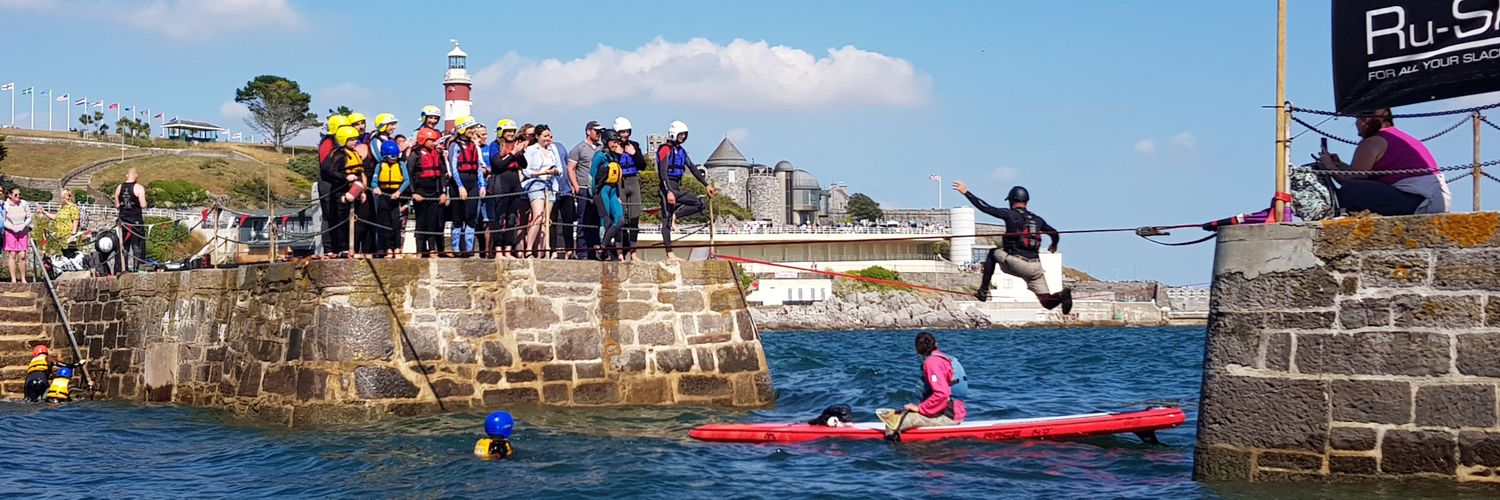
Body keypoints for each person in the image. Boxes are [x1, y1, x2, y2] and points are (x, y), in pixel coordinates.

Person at [953, 181, 1073, 314]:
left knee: (993, 252)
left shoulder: (1009, 214)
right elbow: (1054, 233)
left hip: (1018, 263)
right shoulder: (1037, 219)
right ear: (1026, 201)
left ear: (1011, 201)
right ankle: (1061, 295)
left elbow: (985, 207)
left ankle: (983, 291)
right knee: (1047, 303)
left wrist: (966, 193)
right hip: (1036, 267)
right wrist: (1054, 245)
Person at [1317, 108, 1451, 216]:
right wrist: (1340, 165)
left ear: (1364, 120)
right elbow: (1361, 173)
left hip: (1417, 200)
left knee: (1350, 190)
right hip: (1431, 198)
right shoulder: (1399, 136)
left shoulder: (1373, 141)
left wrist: (1328, 165)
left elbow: (1349, 179)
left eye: (1357, 119)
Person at [876, 332, 966, 439]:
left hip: (948, 416)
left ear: (917, 350)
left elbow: (942, 393)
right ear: (936, 344)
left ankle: (894, 448)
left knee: (893, 424)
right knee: (903, 413)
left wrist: (920, 408)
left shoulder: (932, 363)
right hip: (955, 412)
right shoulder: (944, 358)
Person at [656, 120, 714, 261]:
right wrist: (668, 191)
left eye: (684, 135)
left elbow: (693, 169)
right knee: (666, 221)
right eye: (680, 134)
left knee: (699, 204)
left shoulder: (681, 151)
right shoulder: (665, 149)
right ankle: (670, 254)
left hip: (677, 186)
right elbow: (663, 172)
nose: (683, 137)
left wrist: (706, 184)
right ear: (674, 134)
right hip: (667, 187)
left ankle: (676, 216)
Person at [319, 125, 367, 257]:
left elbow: (359, 173)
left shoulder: (355, 153)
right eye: (351, 139)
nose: (355, 141)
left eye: (355, 139)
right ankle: (342, 248)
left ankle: (352, 247)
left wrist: (362, 191)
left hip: (354, 190)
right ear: (343, 139)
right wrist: (346, 177)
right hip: (341, 190)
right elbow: (332, 172)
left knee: (354, 220)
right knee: (342, 220)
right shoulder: (339, 155)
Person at [447, 116, 487, 257]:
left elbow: (478, 167)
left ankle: (469, 249)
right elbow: (453, 168)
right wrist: (460, 186)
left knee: (471, 217)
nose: (472, 130)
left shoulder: (474, 145)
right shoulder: (454, 145)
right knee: (458, 218)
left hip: (472, 183)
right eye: (469, 128)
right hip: (459, 184)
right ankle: (456, 249)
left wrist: (481, 185)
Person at [522, 125, 563, 258]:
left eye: (550, 136)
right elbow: (526, 171)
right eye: (545, 136)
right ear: (537, 136)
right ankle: (529, 249)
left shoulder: (553, 149)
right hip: (536, 183)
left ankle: (541, 251)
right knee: (538, 216)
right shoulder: (531, 150)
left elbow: (560, 169)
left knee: (546, 219)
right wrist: (542, 172)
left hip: (551, 184)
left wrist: (554, 171)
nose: (548, 139)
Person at [407, 127, 449, 257]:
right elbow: (409, 175)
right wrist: (413, 193)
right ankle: (420, 250)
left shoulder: (437, 154)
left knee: (432, 222)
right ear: (423, 140)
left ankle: (432, 249)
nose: (434, 143)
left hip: (434, 192)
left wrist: (443, 192)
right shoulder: (415, 155)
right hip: (420, 192)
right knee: (421, 222)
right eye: (431, 140)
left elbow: (442, 175)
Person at [489, 120, 527, 258]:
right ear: (501, 132)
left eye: (513, 131)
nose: (511, 134)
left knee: (512, 217)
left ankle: (508, 249)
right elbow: (498, 165)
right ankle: (498, 250)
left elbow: (524, 165)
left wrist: (519, 153)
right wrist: (513, 153)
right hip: (501, 182)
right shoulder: (494, 145)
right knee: (500, 217)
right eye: (508, 131)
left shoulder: (516, 145)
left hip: (514, 182)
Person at [569, 121, 604, 259]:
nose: (599, 134)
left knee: (597, 219)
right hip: (584, 188)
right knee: (583, 220)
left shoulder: (601, 148)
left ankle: (594, 250)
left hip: (598, 189)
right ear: (589, 131)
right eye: (596, 131)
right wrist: (576, 186)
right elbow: (571, 168)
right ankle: (582, 251)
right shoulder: (579, 148)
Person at [614, 117, 647, 262]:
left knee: (634, 218)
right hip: (619, 182)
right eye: (622, 132)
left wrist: (634, 154)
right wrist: (617, 154)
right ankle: (619, 252)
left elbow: (642, 165)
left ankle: (633, 252)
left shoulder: (634, 145)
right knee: (620, 218)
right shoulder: (612, 147)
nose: (625, 134)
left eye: (627, 131)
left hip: (633, 182)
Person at [592, 130, 627, 260]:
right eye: (614, 142)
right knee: (605, 222)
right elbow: (592, 176)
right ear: (606, 141)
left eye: (617, 142)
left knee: (620, 220)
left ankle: (602, 247)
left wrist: (618, 196)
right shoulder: (599, 156)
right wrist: (593, 194)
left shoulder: (615, 156)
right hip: (601, 191)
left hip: (613, 191)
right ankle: (603, 252)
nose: (616, 144)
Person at [372, 141, 410, 257]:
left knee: (396, 223)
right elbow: (374, 181)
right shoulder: (379, 166)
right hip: (384, 196)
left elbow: (406, 180)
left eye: (396, 156)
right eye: (392, 157)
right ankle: (388, 248)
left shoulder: (401, 164)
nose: (394, 159)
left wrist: (398, 192)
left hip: (396, 196)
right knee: (385, 222)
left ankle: (397, 248)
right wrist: (376, 188)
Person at [112, 170, 147, 272]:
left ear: (126, 175)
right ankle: (137, 269)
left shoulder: (119, 187)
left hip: (123, 221)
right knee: (137, 246)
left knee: (124, 246)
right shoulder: (139, 188)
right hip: (136, 221)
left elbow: (117, 205)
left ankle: (124, 268)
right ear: (136, 175)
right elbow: (143, 205)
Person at [549, 138, 575, 259]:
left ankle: (569, 250)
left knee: (568, 221)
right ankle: (552, 250)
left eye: (550, 136)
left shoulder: (560, 146)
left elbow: (567, 167)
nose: (549, 139)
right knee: (552, 222)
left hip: (566, 190)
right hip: (551, 190)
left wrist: (572, 184)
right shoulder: (540, 150)